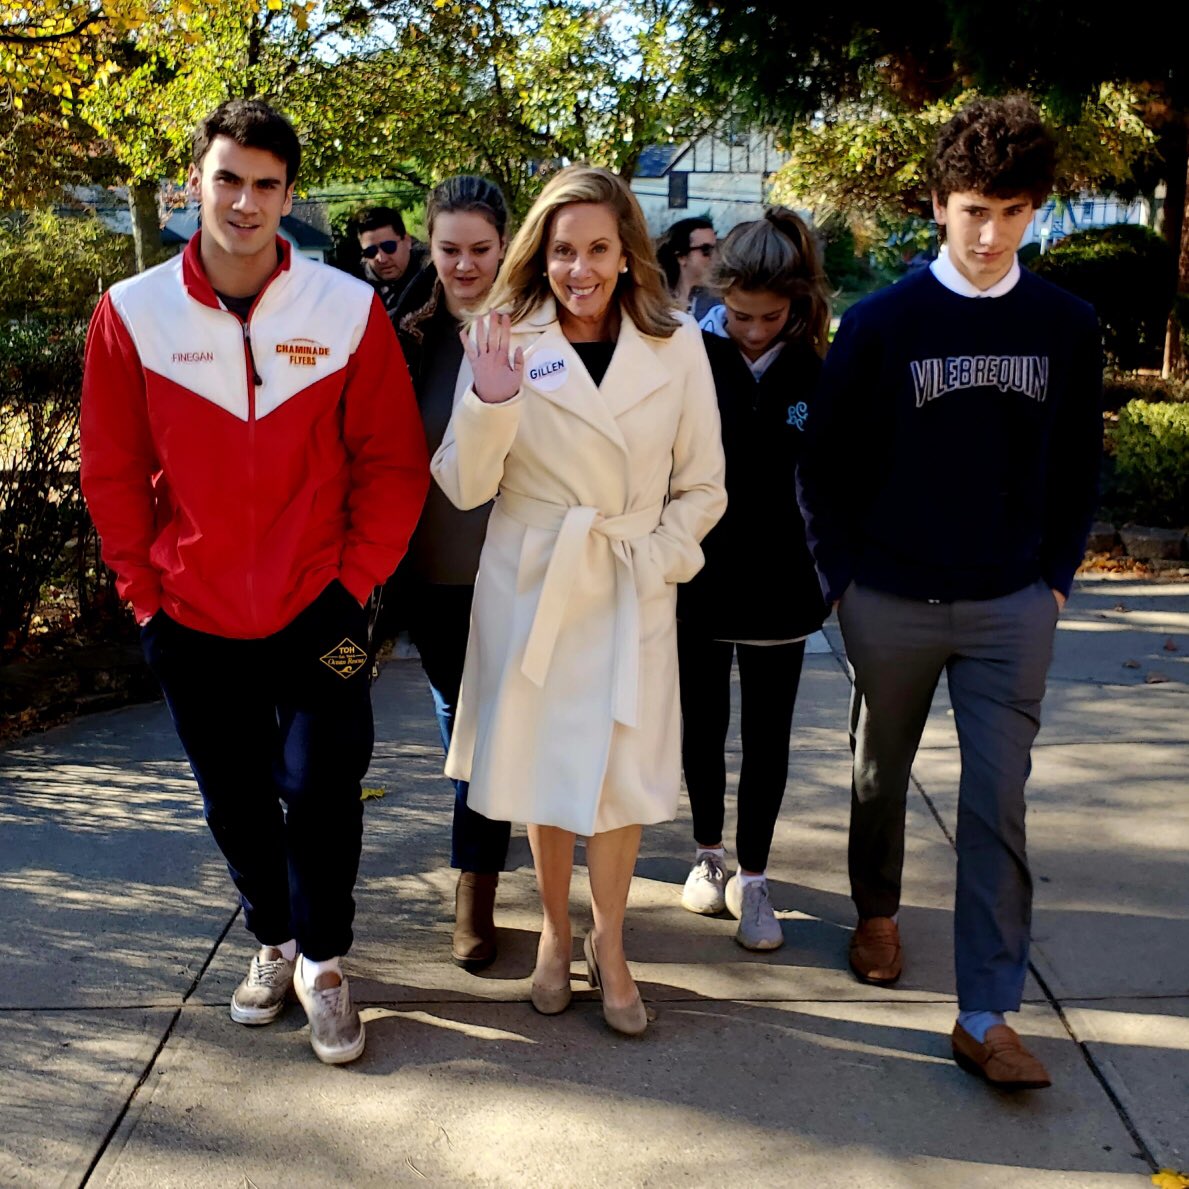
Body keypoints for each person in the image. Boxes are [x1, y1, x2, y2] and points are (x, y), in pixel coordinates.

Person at [80, 99, 429, 1065]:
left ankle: (323, 961)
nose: (244, 201)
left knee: (322, 786)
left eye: (266, 184)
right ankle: (272, 939)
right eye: (227, 178)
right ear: (195, 180)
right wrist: (143, 596)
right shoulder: (131, 312)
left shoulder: (346, 306)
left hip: (322, 606)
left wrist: (354, 579)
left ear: (289, 194)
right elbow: (109, 471)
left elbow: (393, 465)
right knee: (234, 796)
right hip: (189, 612)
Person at [797, 96, 1102, 1089]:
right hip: (887, 597)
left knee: (996, 801)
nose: (989, 232)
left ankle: (985, 1013)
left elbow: (1076, 468)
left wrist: (1053, 580)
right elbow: (824, 465)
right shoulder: (883, 325)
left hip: (1011, 604)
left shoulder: (1066, 326)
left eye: (1011, 212)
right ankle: (876, 911)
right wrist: (840, 581)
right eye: (973, 208)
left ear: (1034, 211)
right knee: (879, 774)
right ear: (937, 203)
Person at [431, 165, 726, 1036]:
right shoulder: (503, 337)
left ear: (627, 253)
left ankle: (612, 937)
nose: (580, 268)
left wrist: (659, 558)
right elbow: (461, 483)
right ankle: (557, 932)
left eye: (598, 247)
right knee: (546, 769)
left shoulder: (675, 344)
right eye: (563, 250)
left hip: (626, 576)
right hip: (534, 581)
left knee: (621, 777)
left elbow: (704, 484)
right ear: (541, 255)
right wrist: (490, 398)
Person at [677, 209, 830, 950]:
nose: (753, 329)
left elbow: (834, 481)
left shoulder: (814, 368)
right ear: (717, 293)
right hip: (699, 579)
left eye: (770, 316)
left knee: (768, 737)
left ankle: (756, 878)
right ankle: (707, 855)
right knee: (701, 726)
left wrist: (829, 572)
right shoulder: (690, 358)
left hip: (783, 588)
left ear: (795, 304)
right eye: (739, 314)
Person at [390, 176, 513, 971]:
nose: (464, 265)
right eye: (448, 249)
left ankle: (476, 881)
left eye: (479, 249)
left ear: (504, 246)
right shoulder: (403, 331)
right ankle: (487, 826)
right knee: (455, 714)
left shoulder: (541, 328)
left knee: (488, 731)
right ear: (427, 247)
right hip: (427, 571)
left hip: (516, 567)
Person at [356, 205, 428, 316]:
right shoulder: (359, 288)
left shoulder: (433, 274)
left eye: (389, 247)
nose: (381, 259)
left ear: (407, 241)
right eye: (371, 251)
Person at [656, 216, 717, 317]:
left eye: (716, 249)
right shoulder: (656, 301)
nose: (714, 256)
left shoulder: (719, 304)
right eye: (706, 249)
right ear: (681, 257)